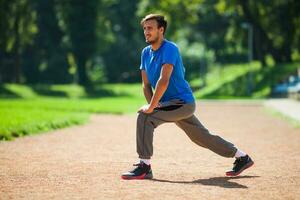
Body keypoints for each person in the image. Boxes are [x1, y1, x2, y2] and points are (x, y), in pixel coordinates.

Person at [121, 14, 254, 180]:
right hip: (169, 104)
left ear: (161, 30)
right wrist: (154, 105)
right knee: (200, 137)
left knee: (145, 117)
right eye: (144, 28)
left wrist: (152, 108)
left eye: (150, 28)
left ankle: (144, 166)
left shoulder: (170, 48)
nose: (146, 32)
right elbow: (146, 85)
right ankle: (242, 157)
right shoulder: (145, 53)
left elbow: (164, 80)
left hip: (182, 102)